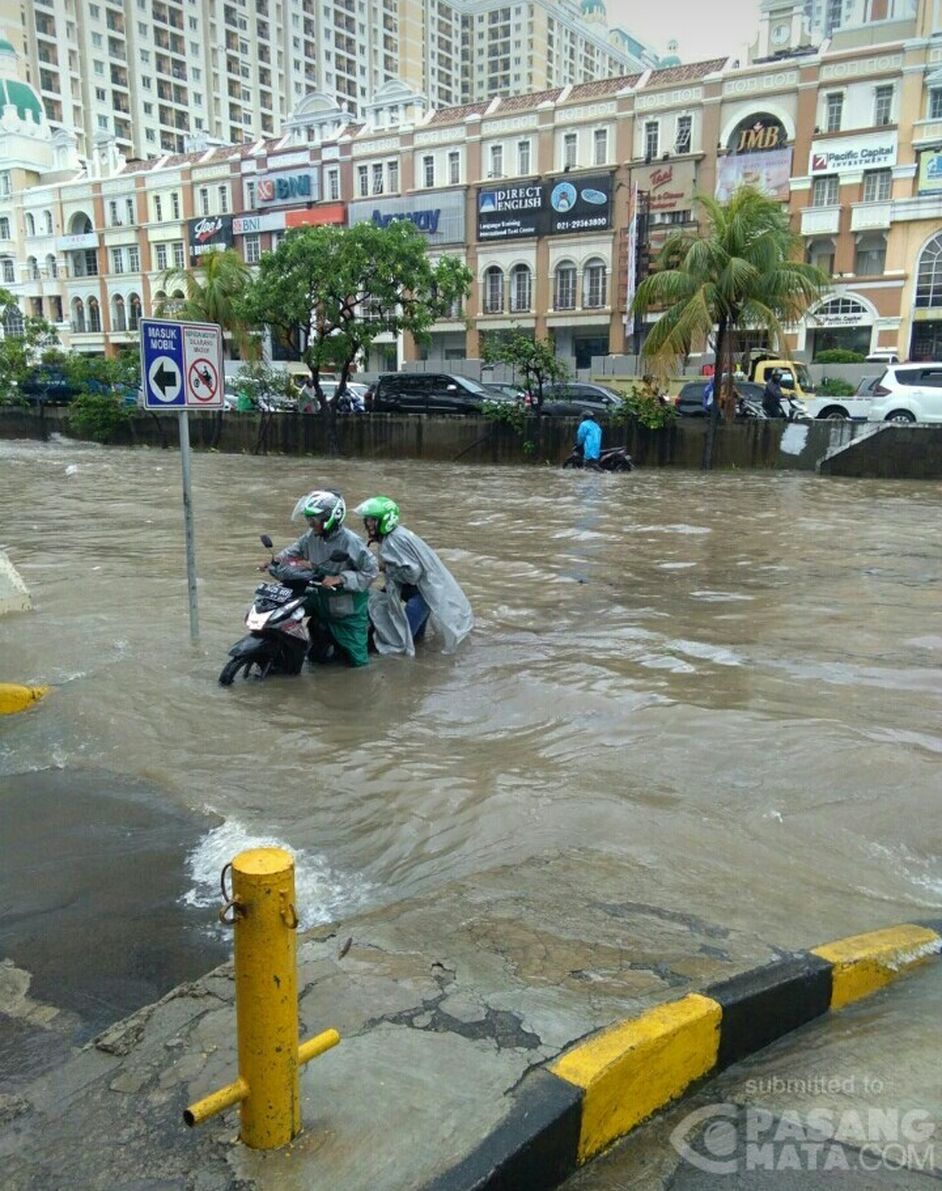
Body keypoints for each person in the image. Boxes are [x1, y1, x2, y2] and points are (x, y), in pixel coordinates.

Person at [353, 496, 473, 656]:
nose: (368, 524)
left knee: (401, 646)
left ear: (384, 520)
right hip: (423, 594)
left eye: (372, 520)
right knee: (416, 643)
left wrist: (384, 567)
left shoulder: (394, 540)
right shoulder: (396, 535)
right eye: (367, 520)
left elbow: (412, 574)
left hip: (420, 596)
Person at [273, 490, 379, 667]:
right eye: (309, 520)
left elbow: (371, 570)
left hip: (347, 605)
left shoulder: (350, 541)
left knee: (358, 663)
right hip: (318, 594)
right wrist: (275, 560)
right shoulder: (312, 536)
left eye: (313, 520)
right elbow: (294, 551)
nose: (310, 524)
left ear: (329, 519)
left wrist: (341, 578)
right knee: (283, 609)